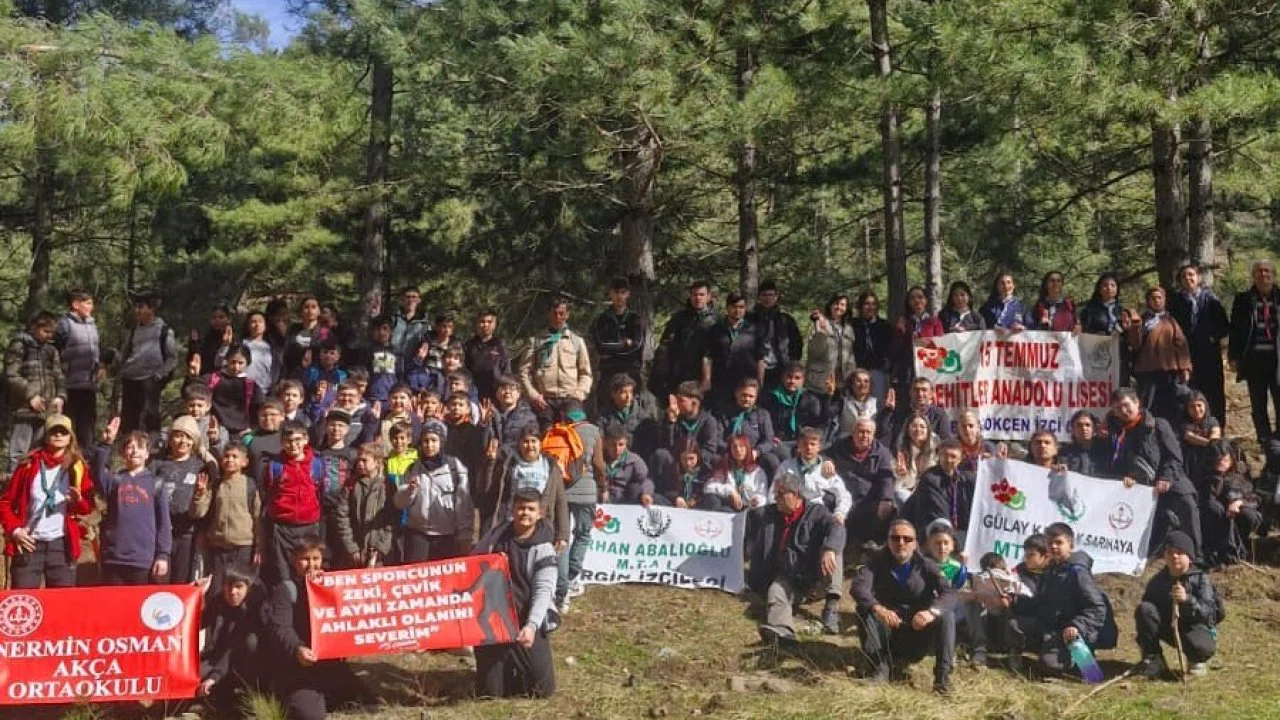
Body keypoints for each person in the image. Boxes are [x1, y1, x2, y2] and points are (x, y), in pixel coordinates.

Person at [851, 519, 956, 694]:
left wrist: (930, 613)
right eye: (895, 538)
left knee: (946, 615)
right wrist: (878, 608)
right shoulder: (874, 562)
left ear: (915, 543)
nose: (901, 543)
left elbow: (949, 593)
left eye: (907, 539)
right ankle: (878, 669)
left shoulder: (927, 565)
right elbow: (858, 587)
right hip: (886, 634)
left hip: (917, 633)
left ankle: (942, 680)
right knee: (865, 609)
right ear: (888, 540)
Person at [473, 488, 559, 698]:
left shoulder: (544, 547)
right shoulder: (496, 535)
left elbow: (543, 591)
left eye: (530, 509)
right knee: (489, 694)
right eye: (520, 508)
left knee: (542, 690)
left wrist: (532, 626)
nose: (525, 513)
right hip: (494, 612)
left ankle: (518, 659)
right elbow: (474, 560)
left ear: (540, 513)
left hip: (526, 616)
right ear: (512, 510)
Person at [266, 536, 364, 720]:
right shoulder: (285, 590)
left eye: (316, 558)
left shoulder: (331, 585)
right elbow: (281, 628)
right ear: (294, 561)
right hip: (298, 667)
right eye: (305, 559)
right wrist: (297, 649)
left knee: (362, 699)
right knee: (310, 715)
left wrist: (326, 588)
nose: (311, 565)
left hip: (328, 664)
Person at [1005, 523, 1115, 676]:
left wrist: (1077, 626)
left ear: (1071, 546)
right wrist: (1015, 601)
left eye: (1059, 542)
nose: (1053, 546)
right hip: (1052, 627)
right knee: (1015, 625)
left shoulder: (1078, 572)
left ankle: (1084, 662)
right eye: (1050, 543)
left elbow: (1097, 607)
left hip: (1073, 632)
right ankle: (1047, 651)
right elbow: (1040, 603)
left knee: (1050, 665)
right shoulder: (1050, 570)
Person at [1106, 387, 1203, 560]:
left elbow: (1174, 457)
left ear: (1137, 402)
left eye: (1126, 405)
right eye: (1118, 409)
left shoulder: (1158, 425)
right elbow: (1119, 465)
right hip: (1144, 488)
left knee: (1187, 504)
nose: (1123, 411)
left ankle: (1196, 557)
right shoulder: (1119, 434)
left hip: (1172, 480)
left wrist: (1165, 478)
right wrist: (1127, 477)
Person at [750, 473, 845, 645]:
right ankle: (783, 632)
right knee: (776, 591)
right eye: (775, 494)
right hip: (790, 578)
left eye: (780, 494)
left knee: (834, 549)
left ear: (795, 494)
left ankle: (831, 606)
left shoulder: (817, 512)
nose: (776, 498)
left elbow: (837, 527)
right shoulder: (768, 514)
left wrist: (829, 549)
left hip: (816, 576)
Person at [0, 414, 93, 589]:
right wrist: (15, 530)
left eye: (63, 432)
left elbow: (87, 507)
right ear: (46, 435)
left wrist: (78, 500)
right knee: (26, 600)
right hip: (28, 543)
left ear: (70, 437)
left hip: (61, 545)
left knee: (62, 602)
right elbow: (5, 503)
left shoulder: (77, 467)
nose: (58, 435)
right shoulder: (28, 465)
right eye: (54, 431)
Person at [772, 427, 848, 632]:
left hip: (817, 516)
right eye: (804, 444)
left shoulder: (826, 469)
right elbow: (774, 491)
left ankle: (832, 603)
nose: (808, 448)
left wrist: (840, 513)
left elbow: (843, 495)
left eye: (813, 444)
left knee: (834, 539)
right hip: (793, 515)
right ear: (798, 445)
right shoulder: (787, 466)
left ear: (819, 447)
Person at [1134, 531, 1222, 679]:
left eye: (1179, 552)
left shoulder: (1201, 579)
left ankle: (1196, 660)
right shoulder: (1157, 581)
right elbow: (1145, 614)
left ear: (1189, 557)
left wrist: (1187, 600)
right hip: (1168, 627)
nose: (1174, 556)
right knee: (1144, 609)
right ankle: (1154, 658)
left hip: (1193, 628)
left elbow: (1209, 613)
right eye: (1170, 552)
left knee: (1201, 647)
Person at [92, 421, 171, 585]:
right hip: (113, 557)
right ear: (123, 453)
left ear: (147, 454)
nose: (135, 451)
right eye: (130, 447)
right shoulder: (116, 480)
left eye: (140, 447)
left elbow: (164, 523)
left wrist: (162, 555)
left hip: (142, 559)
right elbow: (97, 474)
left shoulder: (155, 483)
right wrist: (106, 444)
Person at [547, 401, 604, 611]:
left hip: (560, 490)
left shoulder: (556, 432)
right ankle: (572, 577)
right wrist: (603, 483)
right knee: (583, 534)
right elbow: (598, 464)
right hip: (586, 490)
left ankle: (560, 583)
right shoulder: (594, 431)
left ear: (564, 414)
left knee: (562, 538)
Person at [394, 420, 474, 563]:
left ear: (441, 442)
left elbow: (464, 504)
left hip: (446, 536)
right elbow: (399, 503)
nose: (429, 445)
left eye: (433, 440)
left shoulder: (455, 467)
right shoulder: (413, 468)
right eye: (425, 441)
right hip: (417, 535)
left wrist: (465, 535)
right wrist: (409, 490)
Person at [260, 421, 326, 586]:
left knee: (310, 572)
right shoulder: (274, 466)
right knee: (284, 575)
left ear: (306, 439)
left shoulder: (317, 465)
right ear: (282, 442)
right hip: (282, 528)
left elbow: (321, 491)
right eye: (288, 441)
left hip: (309, 525)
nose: (293, 445)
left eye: (297, 440)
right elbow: (267, 493)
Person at [152, 414, 215, 584]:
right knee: (158, 583)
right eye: (178, 436)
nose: (183, 441)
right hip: (159, 534)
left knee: (182, 583)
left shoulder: (200, 467)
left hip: (188, 534)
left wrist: (202, 530)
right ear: (170, 439)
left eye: (188, 437)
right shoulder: (157, 465)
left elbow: (207, 503)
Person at [191, 443, 261, 592]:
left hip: (243, 547)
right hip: (218, 547)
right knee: (217, 588)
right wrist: (199, 494)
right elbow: (199, 512)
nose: (230, 460)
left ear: (244, 462)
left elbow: (257, 517)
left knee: (240, 588)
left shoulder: (250, 485)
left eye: (235, 457)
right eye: (227, 456)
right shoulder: (216, 485)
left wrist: (258, 547)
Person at [198, 564, 266, 711]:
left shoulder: (255, 608)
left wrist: (214, 677)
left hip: (245, 662)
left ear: (248, 588)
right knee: (193, 677)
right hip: (219, 658)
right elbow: (196, 624)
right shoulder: (218, 601)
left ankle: (248, 693)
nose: (233, 592)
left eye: (238, 587)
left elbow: (232, 647)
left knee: (251, 642)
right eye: (228, 586)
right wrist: (197, 595)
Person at [1169, 264, 1230, 426]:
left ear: (1199, 278)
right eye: (1184, 276)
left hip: (1209, 354)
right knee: (1188, 393)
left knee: (1214, 392)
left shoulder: (1211, 299)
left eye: (1191, 275)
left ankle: (1216, 428)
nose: (1188, 278)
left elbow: (1224, 325)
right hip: (1184, 356)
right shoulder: (1175, 301)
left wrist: (1211, 338)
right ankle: (1190, 430)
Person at [490, 426, 569, 551]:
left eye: (534, 441)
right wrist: (491, 462)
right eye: (526, 441)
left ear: (540, 444)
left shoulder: (551, 466)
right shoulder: (509, 464)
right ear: (520, 444)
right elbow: (490, 490)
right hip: (513, 524)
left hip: (541, 526)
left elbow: (560, 501)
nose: (530, 445)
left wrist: (563, 535)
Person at [518, 298, 593, 428]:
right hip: (544, 400)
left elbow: (586, 373)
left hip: (571, 398)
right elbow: (523, 372)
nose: (558, 317)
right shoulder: (536, 342)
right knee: (546, 434)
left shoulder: (577, 341)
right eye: (554, 313)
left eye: (561, 313)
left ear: (567, 315)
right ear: (549, 314)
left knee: (576, 432)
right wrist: (533, 395)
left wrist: (579, 394)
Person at [6, 310, 65, 473]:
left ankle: (33, 483)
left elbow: (58, 375)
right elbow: (11, 375)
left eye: (51, 332)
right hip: (24, 409)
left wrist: (60, 396)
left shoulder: (51, 350)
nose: (49, 335)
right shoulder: (19, 345)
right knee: (19, 452)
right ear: (33, 327)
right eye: (45, 331)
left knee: (39, 451)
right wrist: (30, 395)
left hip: (46, 410)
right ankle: (14, 483)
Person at [825, 417, 897, 550]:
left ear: (873, 435)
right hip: (844, 499)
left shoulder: (882, 453)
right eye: (861, 431)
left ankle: (871, 545)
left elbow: (886, 478)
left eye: (868, 432)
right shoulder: (840, 446)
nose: (864, 436)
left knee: (888, 509)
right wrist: (827, 460)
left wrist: (886, 498)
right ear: (853, 433)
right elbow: (824, 454)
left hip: (868, 500)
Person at [1228, 259, 1280, 441]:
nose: (1263, 274)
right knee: (1258, 405)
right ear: (1253, 276)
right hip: (1254, 360)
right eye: (1259, 271)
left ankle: (1278, 444)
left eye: (1267, 271)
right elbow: (1235, 330)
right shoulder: (1243, 300)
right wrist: (1233, 356)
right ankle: (1265, 441)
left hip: (1277, 359)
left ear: (1273, 275)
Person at [1126, 286, 1192, 424]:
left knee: (1169, 405)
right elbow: (1135, 344)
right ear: (1148, 301)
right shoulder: (1142, 320)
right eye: (1153, 298)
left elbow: (1181, 345)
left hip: (1168, 371)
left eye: (1159, 298)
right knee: (1148, 405)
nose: (1157, 301)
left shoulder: (1171, 321)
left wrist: (1185, 368)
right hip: (1147, 370)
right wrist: (1135, 327)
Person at [1199, 440, 1263, 566]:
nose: (1222, 463)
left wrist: (1238, 503)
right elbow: (1207, 499)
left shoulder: (1240, 472)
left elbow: (1254, 497)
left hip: (1239, 508)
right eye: (1218, 460)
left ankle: (1241, 546)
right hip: (1217, 516)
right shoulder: (1204, 475)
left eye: (1225, 460)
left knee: (1249, 515)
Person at [651, 281, 717, 400]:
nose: (698, 298)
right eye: (694, 294)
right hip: (679, 373)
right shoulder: (679, 318)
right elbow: (666, 344)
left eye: (701, 295)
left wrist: (708, 377)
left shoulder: (716, 321)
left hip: (705, 374)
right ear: (690, 296)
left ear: (709, 297)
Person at [333, 443, 396, 568]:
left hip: (380, 552)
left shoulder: (387, 485)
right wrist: (351, 547)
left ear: (377, 462)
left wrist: (381, 548)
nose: (360, 464)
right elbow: (342, 516)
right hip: (355, 549)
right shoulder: (351, 484)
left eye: (364, 460)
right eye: (358, 460)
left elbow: (392, 519)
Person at [588, 279, 646, 412]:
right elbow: (601, 347)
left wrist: (613, 349)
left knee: (633, 409)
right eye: (616, 292)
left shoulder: (636, 319)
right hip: (608, 371)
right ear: (610, 294)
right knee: (605, 410)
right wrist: (625, 344)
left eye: (623, 292)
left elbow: (637, 346)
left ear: (628, 294)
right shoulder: (601, 320)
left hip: (631, 371)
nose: (619, 296)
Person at [53, 288, 101, 448]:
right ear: (75, 304)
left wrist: (100, 367)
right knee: (69, 428)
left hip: (89, 385)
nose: (91, 307)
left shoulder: (92, 325)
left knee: (87, 429)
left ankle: (85, 460)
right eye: (88, 303)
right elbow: (54, 354)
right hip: (69, 386)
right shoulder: (64, 325)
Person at [703, 293, 766, 414]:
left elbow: (760, 358)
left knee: (745, 413)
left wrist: (760, 381)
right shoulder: (716, 329)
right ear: (727, 308)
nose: (738, 310)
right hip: (721, 380)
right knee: (721, 411)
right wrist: (706, 379)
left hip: (746, 379)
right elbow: (707, 357)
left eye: (741, 307)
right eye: (734, 307)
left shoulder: (754, 330)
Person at [903, 440, 972, 542]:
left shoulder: (965, 478)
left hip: (959, 532)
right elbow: (939, 513)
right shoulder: (930, 478)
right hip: (934, 530)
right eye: (944, 455)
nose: (948, 460)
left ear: (960, 459)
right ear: (939, 456)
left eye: (953, 456)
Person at [653, 382, 724, 480]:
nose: (677, 404)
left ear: (694, 403)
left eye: (681, 401)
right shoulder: (675, 419)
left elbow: (709, 450)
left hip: (698, 464)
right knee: (660, 453)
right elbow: (666, 445)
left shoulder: (708, 421)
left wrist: (692, 457)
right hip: (677, 464)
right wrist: (670, 423)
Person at [717, 378, 783, 479]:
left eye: (751, 396)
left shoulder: (762, 414)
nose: (747, 399)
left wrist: (757, 451)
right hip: (730, 451)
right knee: (715, 459)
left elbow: (768, 440)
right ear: (736, 394)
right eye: (744, 395)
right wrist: (733, 450)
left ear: (756, 397)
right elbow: (718, 438)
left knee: (772, 460)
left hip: (754, 452)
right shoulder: (724, 414)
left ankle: (772, 487)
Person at [762, 363, 827, 457]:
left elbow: (817, 425)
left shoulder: (811, 400)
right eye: (789, 377)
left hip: (803, 441)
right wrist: (772, 436)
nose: (792, 381)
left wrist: (804, 442)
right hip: (779, 441)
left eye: (797, 378)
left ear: (803, 380)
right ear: (782, 377)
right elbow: (766, 422)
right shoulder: (772, 397)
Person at [890, 286, 944, 394]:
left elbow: (942, 347)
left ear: (926, 300)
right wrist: (901, 332)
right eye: (913, 298)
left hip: (929, 370)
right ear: (908, 302)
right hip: (907, 372)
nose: (917, 300)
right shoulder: (904, 322)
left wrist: (926, 344)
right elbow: (894, 351)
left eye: (920, 297)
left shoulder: (935, 322)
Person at [749, 280, 804, 389]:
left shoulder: (786, 320)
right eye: (764, 295)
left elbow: (797, 343)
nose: (767, 298)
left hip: (781, 368)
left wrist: (791, 363)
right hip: (755, 368)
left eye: (770, 295)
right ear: (759, 297)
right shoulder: (750, 319)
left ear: (776, 297)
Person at [594, 373, 660, 461]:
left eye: (630, 392)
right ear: (613, 394)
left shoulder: (643, 418)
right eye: (623, 392)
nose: (628, 396)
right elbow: (599, 440)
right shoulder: (604, 416)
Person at [880, 377, 953, 450]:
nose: (920, 394)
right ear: (910, 393)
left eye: (924, 390)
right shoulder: (899, 412)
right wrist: (887, 411)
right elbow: (885, 435)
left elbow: (945, 441)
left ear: (931, 394)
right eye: (916, 390)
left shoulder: (939, 415)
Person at [805, 294, 856, 395]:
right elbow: (814, 351)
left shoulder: (848, 328)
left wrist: (852, 375)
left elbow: (850, 355)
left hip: (842, 382)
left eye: (843, 305)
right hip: (820, 380)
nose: (839, 307)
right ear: (830, 305)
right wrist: (821, 333)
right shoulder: (819, 323)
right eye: (836, 303)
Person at [851, 291, 893, 404]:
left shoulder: (884, 325)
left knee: (878, 404)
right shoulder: (853, 325)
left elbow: (890, 349)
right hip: (858, 370)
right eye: (867, 304)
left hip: (878, 370)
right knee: (858, 403)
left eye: (873, 304)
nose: (870, 307)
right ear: (861, 306)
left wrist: (886, 363)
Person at [706, 434, 768, 511]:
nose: (738, 450)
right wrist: (730, 491)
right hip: (728, 507)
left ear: (747, 449)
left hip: (750, 510)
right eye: (734, 447)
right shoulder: (724, 467)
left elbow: (763, 495)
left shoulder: (757, 472)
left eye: (741, 446)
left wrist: (757, 500)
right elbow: (708, 487)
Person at [463, 308, 510, 402]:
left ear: (495, 324)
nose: (486, 325)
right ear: (477, 324)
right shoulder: (468, 346)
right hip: (473, 394)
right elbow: (463, 370)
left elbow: (507, 372)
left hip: (495, 395)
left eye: (489, 322)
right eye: (482, 321)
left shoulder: (500, 346)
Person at [486, 375, 539, 458]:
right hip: (491, 459)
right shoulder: (489, 413)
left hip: (516, 460)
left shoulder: (528, 417)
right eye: (503, 388)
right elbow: (484, 442)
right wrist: (484, 423)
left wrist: (499, 453)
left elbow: (525, 444)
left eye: (512, 388)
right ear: (496, 393)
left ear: (518, 394)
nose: (507, 391)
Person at [601, 428, 654, 505]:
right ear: (605, 444)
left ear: (626, 445)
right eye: (612, 445)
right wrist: (602, 490)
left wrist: (646, 493)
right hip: (603, 498)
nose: (617, 448)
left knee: (635, 488)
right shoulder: (599, 459)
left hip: (625, 499)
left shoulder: (634, 460)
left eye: (621, 445)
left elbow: (645, 480)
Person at [893, 416, 939, 505]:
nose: (918, 430)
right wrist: (901, 474)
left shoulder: (936, 448)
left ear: (928, 430)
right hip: (909, 490)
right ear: (908, 429)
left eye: (922, 426)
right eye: (914, 426)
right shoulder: (900, 449)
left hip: (930, 489)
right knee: (901, 495)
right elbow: (901, 484)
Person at [831, 368, 887, 441]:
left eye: (866, 381)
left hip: (867, 444)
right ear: (852, 384)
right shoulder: (843, 402)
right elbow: (826, 416)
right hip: (845, 443)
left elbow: (882, 431)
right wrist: (828, 396)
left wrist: (888, 412)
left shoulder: (876, 404)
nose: (862, 384)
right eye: (858, 381)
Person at [1180, 391, 1222, 480]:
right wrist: (1210, 444)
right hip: (1190, 462)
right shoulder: (1183, 423)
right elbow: (1190, 437)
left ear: (1205, 406)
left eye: (1199, 405)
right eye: (1192, 406)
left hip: (1209, 458)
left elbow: (1215, 437)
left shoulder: (1212, 421)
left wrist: (1213, 444)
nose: (1196, 409)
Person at [239, 310, 280, 392]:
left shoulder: (272, 348)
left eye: (260, 322)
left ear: (265, 326)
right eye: (253, 322)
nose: (257, 325)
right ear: (247, 325)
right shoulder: (241, 344)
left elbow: (276, 370)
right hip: (243, 389)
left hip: (264, 391)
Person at [662, 441, 711, 509]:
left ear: (698, 456)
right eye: (684, 459)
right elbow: (668, 490)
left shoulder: (705, 472)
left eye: (691, 458)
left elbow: (707, 491)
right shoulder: (673, 469)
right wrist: (676, 498)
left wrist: (696, 500)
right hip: (676, 504)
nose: (688, 463)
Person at [1059, 410, 1109, 476]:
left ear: (1094, 429)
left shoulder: (1106, 450)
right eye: (1079, 425)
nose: (1084, 428)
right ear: (1073, 429)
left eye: (1088, 425)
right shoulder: (1064, 452)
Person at [389, 287, 429, 358]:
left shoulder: (424, 323)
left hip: (412, 362)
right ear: (402, 299)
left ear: (419, 300)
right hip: (392, 359)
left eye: (414, 297)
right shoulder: (393, 318)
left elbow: (426, 343)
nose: (410, 300)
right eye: (407, 297)